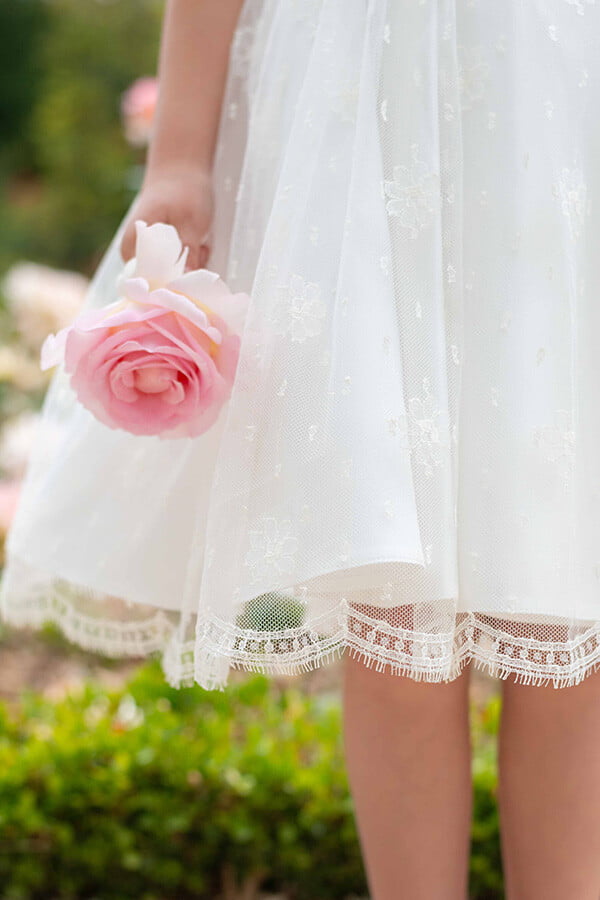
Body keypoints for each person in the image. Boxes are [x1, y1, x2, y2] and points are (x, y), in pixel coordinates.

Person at [2, 1, 600, 896]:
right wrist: (178, 157)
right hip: (360, 119)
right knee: (393, 592)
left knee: (568, 602)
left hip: (553, 98)